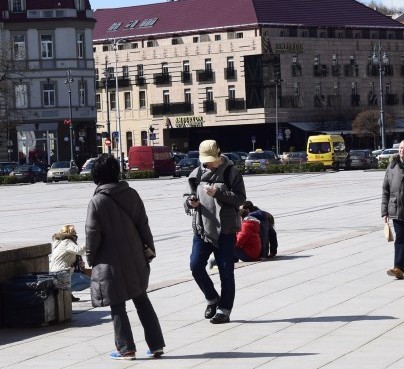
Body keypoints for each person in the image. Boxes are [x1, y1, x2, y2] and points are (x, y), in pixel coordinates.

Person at [85, 154, 165, 360]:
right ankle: (156, 345)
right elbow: (143, 225)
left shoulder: (97, 201)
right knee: (141, 299)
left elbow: (92, 234)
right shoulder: (132, 193)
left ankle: (126, 348)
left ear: (97, 175)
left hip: (110, 262)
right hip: (135, 256)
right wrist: (150, 250)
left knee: (117, 304)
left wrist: (90, 259)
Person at [184, 139, 246, 324]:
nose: (207, 163)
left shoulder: (231, 172)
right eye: (204, 159)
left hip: (225, 231)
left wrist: (217, 193)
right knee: (195, 266)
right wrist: (190, 202)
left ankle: (224, 310)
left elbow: (240, 198)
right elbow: (186, 197)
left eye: (210, 159)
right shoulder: (196, 174)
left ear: (219, 155)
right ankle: (212, 298)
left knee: (226, 272)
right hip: (202, 229)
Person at [382, 140, 404, 280]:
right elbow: (385, 190)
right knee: (400, 239)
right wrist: (385, 211)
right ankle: (398, 268)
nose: (402, 150)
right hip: (396, 209)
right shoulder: (392, 167)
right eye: (401, 148)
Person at [50, 224, 90, 302]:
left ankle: (65, 292)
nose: (76, 234)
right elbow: (79, 251)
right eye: (74, 232)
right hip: (62, 273)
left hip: (57, 272)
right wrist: (89, 241)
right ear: (70, 233)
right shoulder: (67, 242)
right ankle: (65, 291)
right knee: (89, 282)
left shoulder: (60, 242)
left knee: (85, 280)